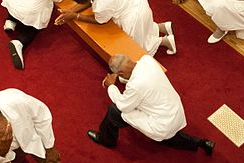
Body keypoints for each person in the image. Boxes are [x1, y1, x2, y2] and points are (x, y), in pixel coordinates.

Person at [86, 54, 215, 155]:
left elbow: (123, 106)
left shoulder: (135, 86)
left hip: (161, 125)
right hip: (176, 112)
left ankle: (106, 140)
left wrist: (111, 87)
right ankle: (201, 143)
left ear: (120, 73)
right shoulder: (147, 60)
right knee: (168, 134)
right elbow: (136, 78)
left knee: (114, 111)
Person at [55, 0, 176, 55]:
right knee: (145, 28)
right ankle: (163, 27)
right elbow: (88, 1)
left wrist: (75, 16)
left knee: (138, 46)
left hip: (134, 16)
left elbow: (100, 21)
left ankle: (164, 41)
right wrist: (71, 11)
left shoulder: (102, 5)